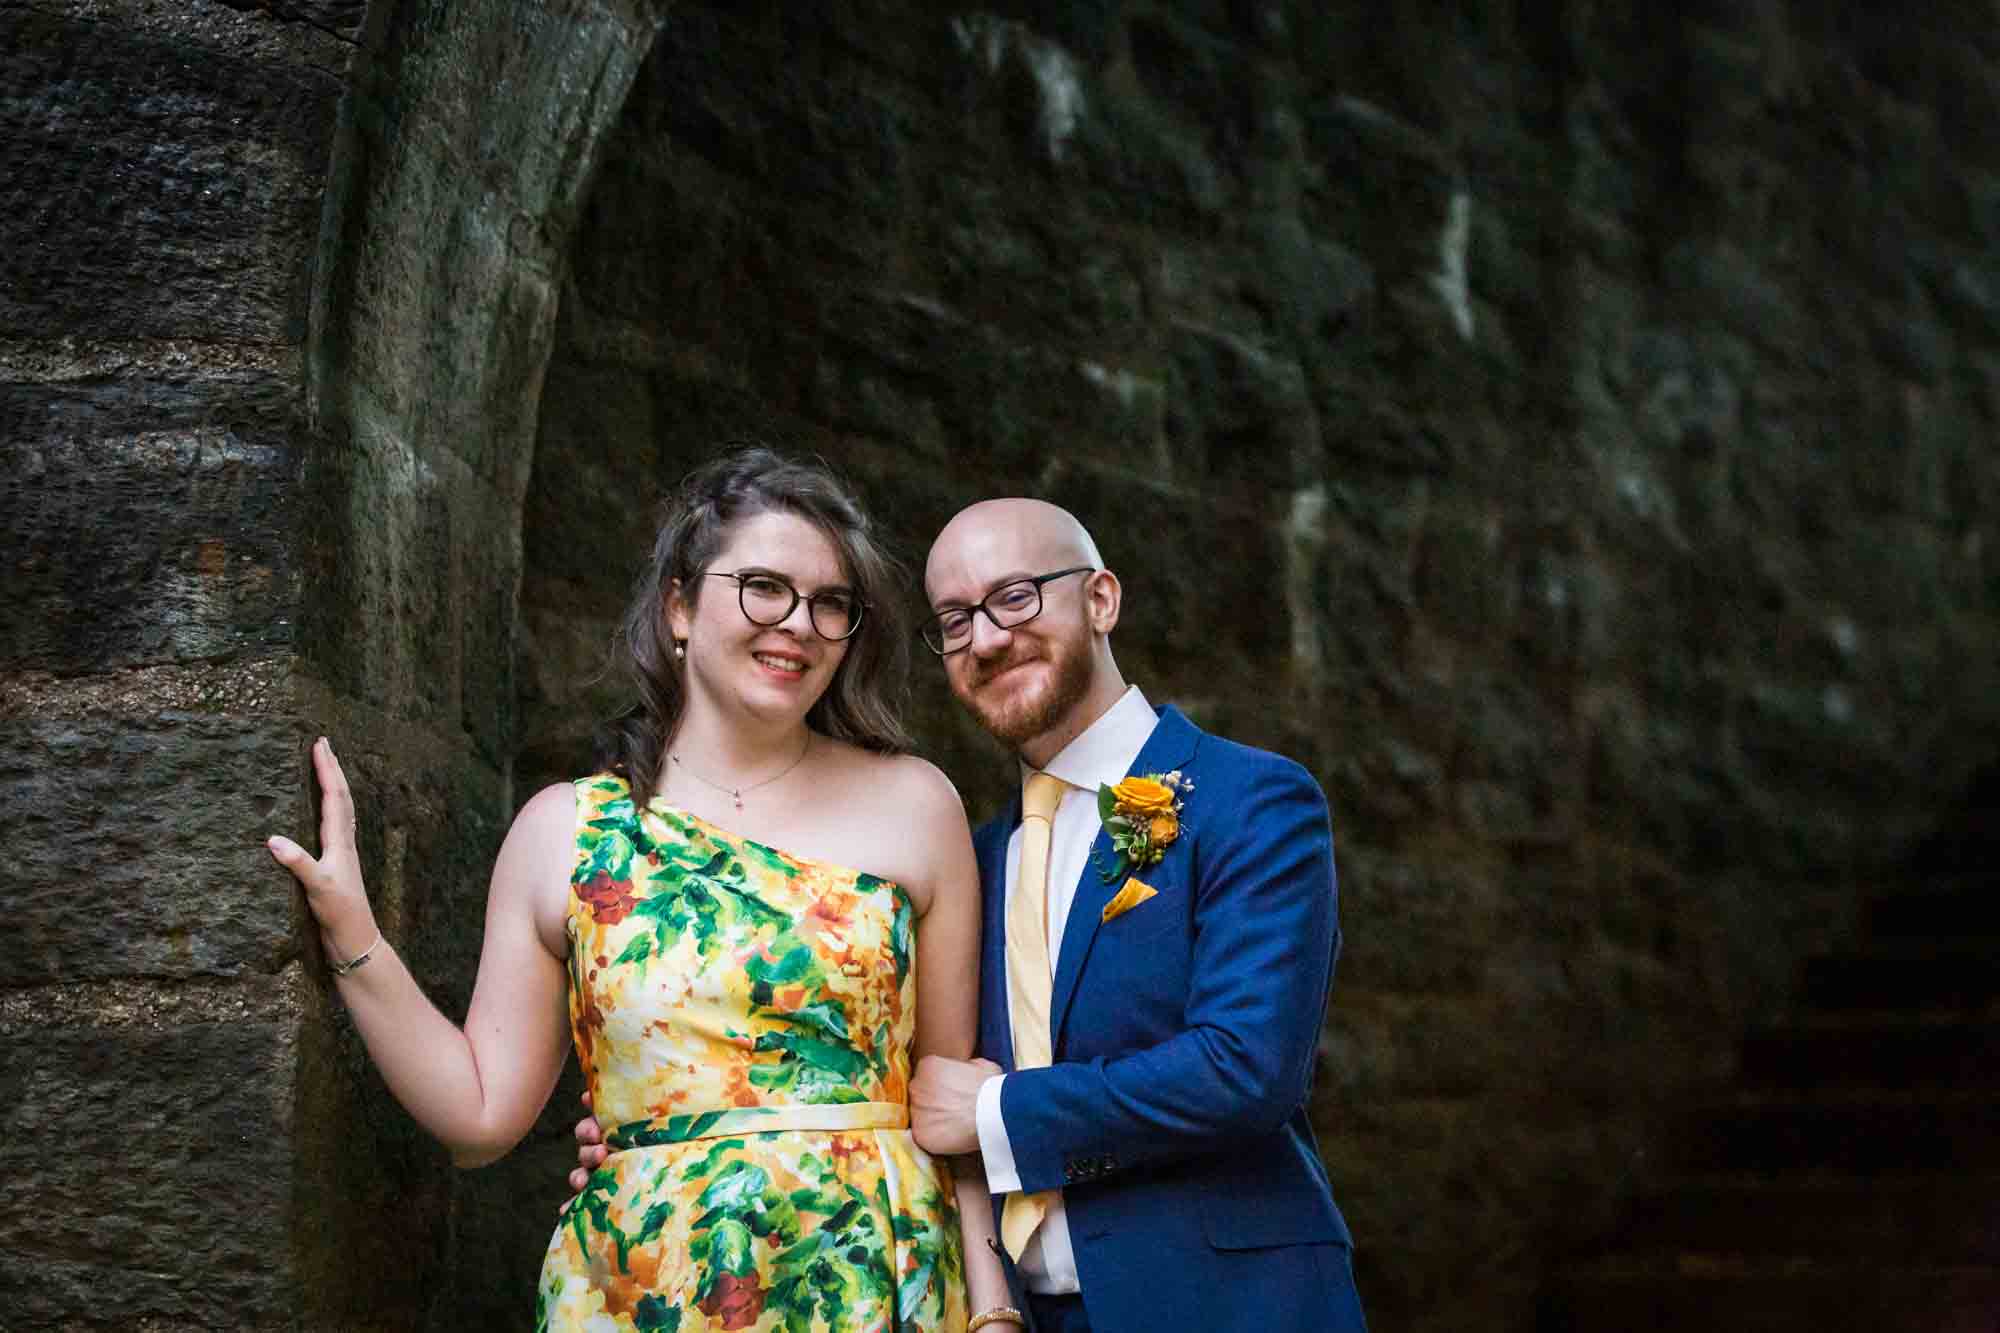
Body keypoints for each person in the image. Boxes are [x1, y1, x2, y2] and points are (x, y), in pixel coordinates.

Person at [579, 496, 1367, 1331]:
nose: (986, 638)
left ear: (1101, 598)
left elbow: (1247, 1069)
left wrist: (996, 1114)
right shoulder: (976, 858)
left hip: (1228, 1305)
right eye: (955, 620)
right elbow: (880, 1072)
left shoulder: (1249, 798)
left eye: (1017, 596)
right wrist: (663, 1128)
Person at [270, 448, 1015, 1331]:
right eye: (765, 587)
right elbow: (479, 1114)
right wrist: (355, 936)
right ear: (679, 607)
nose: (799, 624)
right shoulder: (565, 832)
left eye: (830, 604)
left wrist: (993, 1307)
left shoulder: (916, 804)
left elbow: (949, 1098)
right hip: (645, 1282)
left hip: (871, 1276)